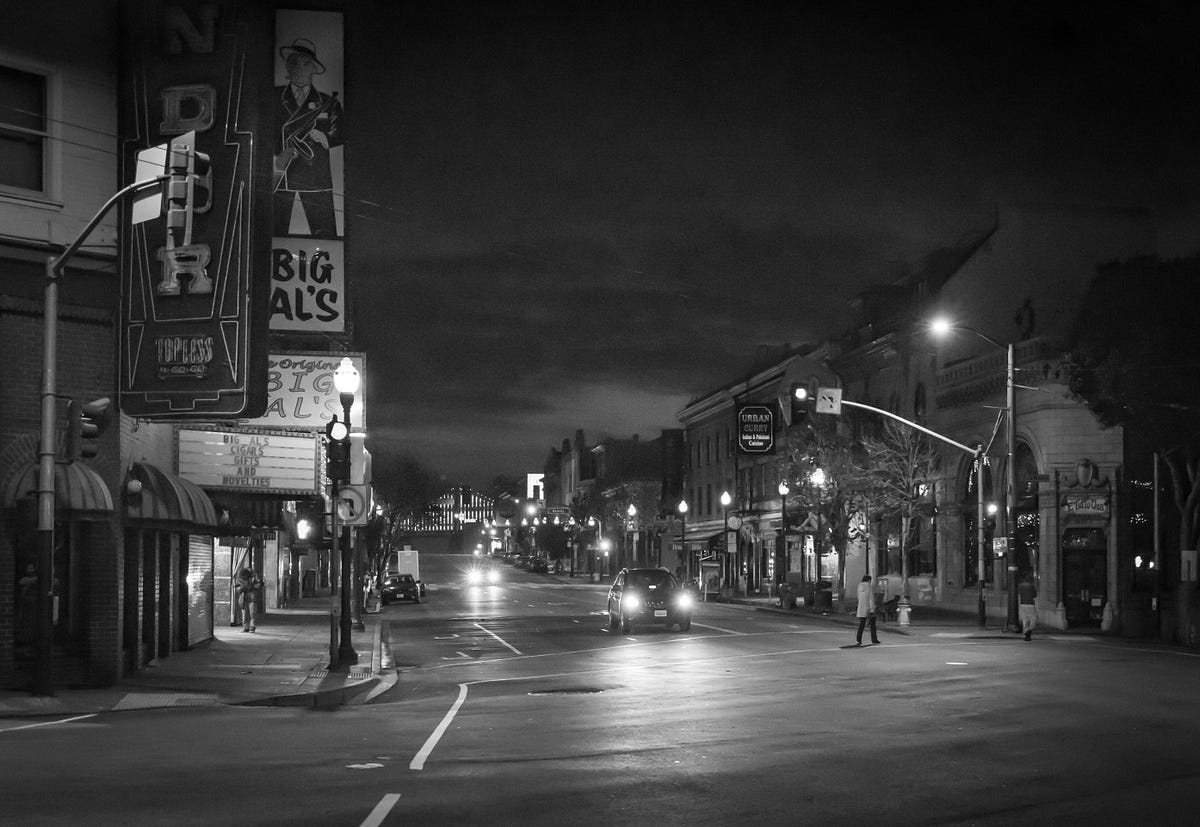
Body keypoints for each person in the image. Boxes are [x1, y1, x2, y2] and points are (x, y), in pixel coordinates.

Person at [273, 37, 344, 238]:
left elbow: (340, 131)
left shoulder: (328, 102)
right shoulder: (274, 96)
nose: (299, 68)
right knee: (271, 234)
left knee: (326, 235)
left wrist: (324, 136)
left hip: (315, 176)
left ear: (314, 68)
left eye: (305, 63)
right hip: (280, 174)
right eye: (294, 62)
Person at [235, 565, 263, 632]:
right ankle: (246, 627)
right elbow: (237, 588)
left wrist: (252, 587)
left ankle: (252, 627)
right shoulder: (241, 579)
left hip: (252, 597)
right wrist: (243, 588)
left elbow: (260, 584)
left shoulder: (254, 577)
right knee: (244, 614)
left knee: (252, 613)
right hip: (244, 598)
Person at [855, 574, 880, 646]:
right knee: (872, 625)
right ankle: (874, 639)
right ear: (869, 580)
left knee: (861, 625)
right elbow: (871, 598)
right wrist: (872, 608)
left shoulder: (859, 586)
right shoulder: (869, 586)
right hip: (868, 608)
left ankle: (858, 640)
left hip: (861, 607)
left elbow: (858, 597)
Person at [1018, 575, 1038, 640]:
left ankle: (1026, 636)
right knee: (1034, 619)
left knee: (1025, 620)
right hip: (1030, 604)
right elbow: (1035, 595)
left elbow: (1019, 594)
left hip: (1022, 604)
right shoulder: (1032, 586)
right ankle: (1028, 631)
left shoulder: (1020, 586)